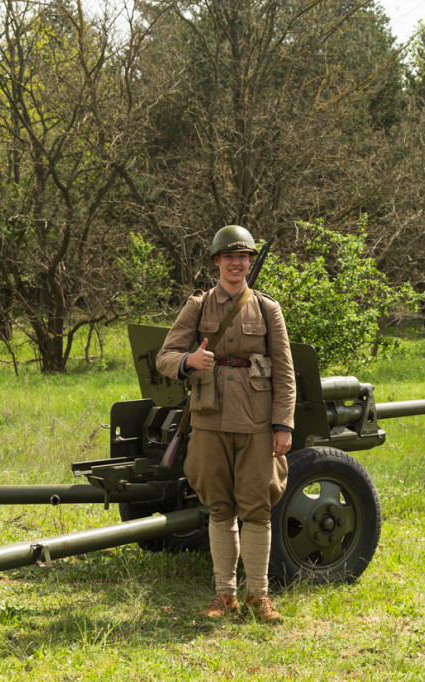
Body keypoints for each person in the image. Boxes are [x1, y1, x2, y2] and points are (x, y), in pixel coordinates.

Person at [155, 225, 296, 623]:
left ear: (250, 262)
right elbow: (165, 356)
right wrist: (188, 362)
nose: (237, 264)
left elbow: (285, 373)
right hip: (210, 420)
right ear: (217, 261)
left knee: (256, 510)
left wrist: (283, 425)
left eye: (243, 257)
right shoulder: (198, 307)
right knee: (219, 509)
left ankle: (259, 597)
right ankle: (224, 595)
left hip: (256, 423)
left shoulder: (268, 310)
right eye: (229, 257)